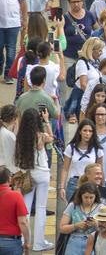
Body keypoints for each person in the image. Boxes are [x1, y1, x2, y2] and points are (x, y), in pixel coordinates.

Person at [14, 106, 52, 252]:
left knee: (26, 209)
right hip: (42, 174)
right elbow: (52, 138)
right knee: (41, 208)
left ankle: (23, 240)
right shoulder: (40, 135)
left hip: (28, 175)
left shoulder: (20, 137)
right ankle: (39, 243)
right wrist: (47, 121)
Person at [58, 182, 102, 255]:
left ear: (95, 196)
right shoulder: (73, 206)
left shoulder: (101, 208)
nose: (88, 200)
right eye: (86, 197)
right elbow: (62, 228)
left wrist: (96, 224)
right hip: (74, 242)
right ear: (80, 196)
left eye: (91, 197)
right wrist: (76, 225)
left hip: (94, 242)